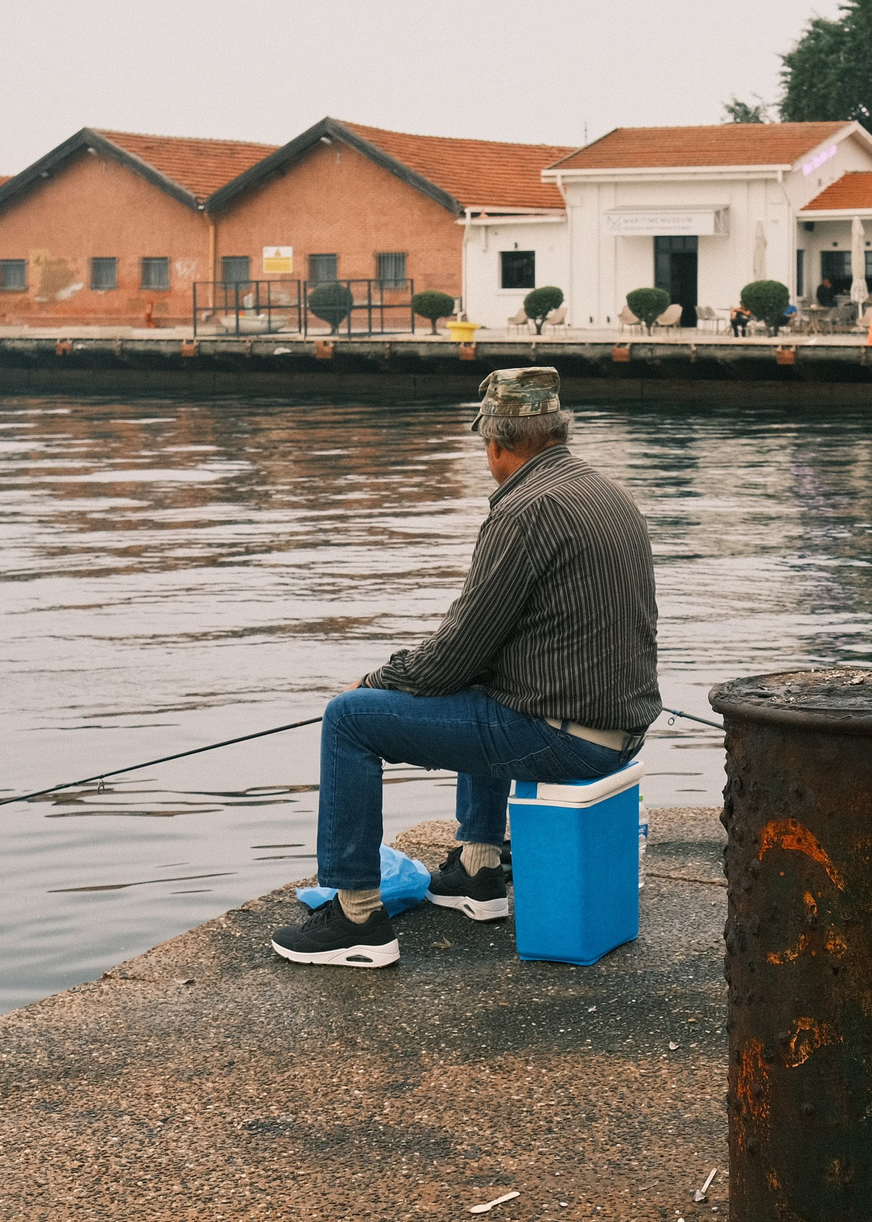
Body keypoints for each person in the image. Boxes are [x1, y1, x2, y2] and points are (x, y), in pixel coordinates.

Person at [270, 368, 659, 968]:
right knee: (485, 684)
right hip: (617, 732)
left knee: (349, 719)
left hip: (565, 740)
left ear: (498, 445)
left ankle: (356, 920)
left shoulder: (526, 509)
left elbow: (453, 653)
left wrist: (376, 679)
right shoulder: (605, 491)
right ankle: (477, 872)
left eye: (486, 447)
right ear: (555, 431)